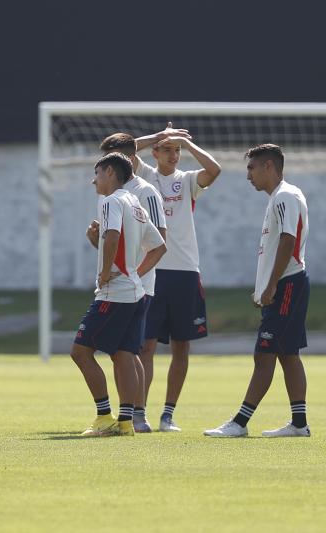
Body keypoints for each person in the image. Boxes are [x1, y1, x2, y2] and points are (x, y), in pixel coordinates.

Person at [205, 144, 310, 438]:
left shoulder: (285, 196)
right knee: (288, 354)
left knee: (264, 354)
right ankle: (299, 424)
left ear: (268, 166)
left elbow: (288, 240)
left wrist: (273, 284)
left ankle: (239, 422)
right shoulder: (280, 197)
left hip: (287, 284)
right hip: (287, 284)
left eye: (251, 168)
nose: (248, 175)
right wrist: (264, 285)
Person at [134, 123, 221, 431]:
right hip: (153, 271)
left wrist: (187, 142)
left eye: (177, 151)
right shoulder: (145, 176)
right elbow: (124, 149)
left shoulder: (187, 181)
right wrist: (157, 136)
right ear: (156, 153)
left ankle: (168, 415)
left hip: (185, 272)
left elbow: (214, 170)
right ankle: (139, 413)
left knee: (181, 346)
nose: (173, 155)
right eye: (167, 150)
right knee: (145, 346)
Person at [72, 153, 166, 437]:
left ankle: (103, 416)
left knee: (80, 352)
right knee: (124, 355)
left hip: (114, 293)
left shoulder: (111, 201)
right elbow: (159, 246)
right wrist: (135, 272)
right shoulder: (135, 204)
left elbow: (112, 236)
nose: (94, 180)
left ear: (110, 172)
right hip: (135, 291)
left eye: (97, 173)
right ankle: (126, 422)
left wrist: (104, 274)